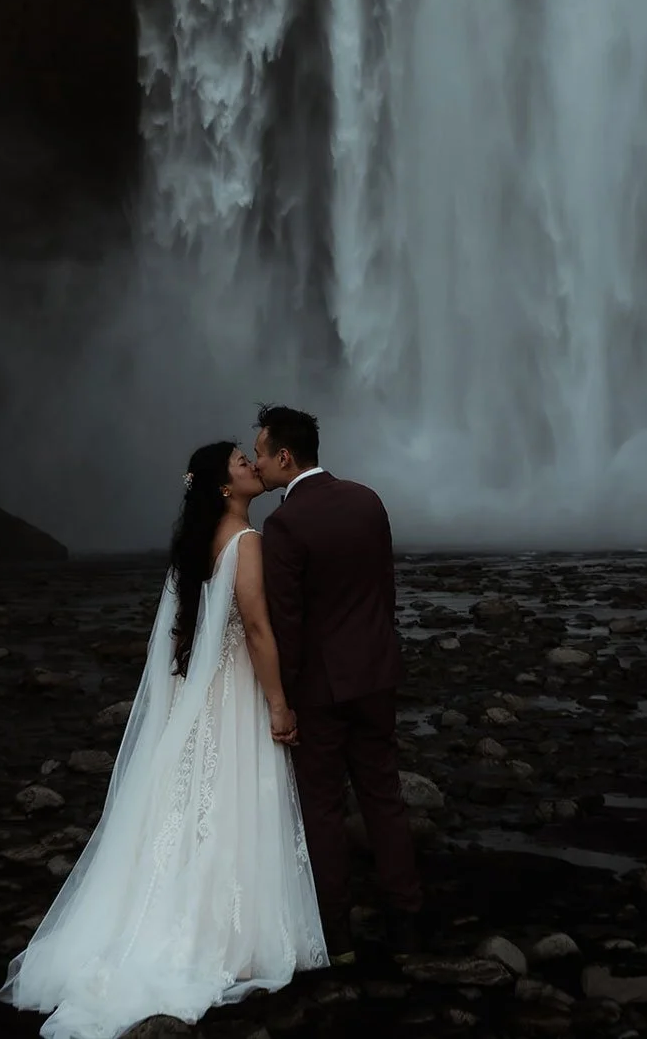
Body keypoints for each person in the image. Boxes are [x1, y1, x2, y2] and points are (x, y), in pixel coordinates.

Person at [0, 442, 327, 1039]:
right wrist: (279, 702)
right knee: (228, 799)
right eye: (240, 462)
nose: (253, 465)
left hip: (196, 696)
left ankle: (179, 915)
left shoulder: (194, 548)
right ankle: (231, 933)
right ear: (225, 487)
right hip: (232, 694)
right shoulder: (247, 543)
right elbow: (254, 627)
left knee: (186, 803)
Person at [253, 404, 422, 965]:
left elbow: (287, 620)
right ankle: (406, 924)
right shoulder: (366, 499)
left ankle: (338, 938)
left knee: (322, 809)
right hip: (375, 674)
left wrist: (286, 699)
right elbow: (384, 589)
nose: (256, 464)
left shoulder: (284, 524)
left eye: (260, 453)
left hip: (322, 689)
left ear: (284, 455)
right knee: (384, 800)